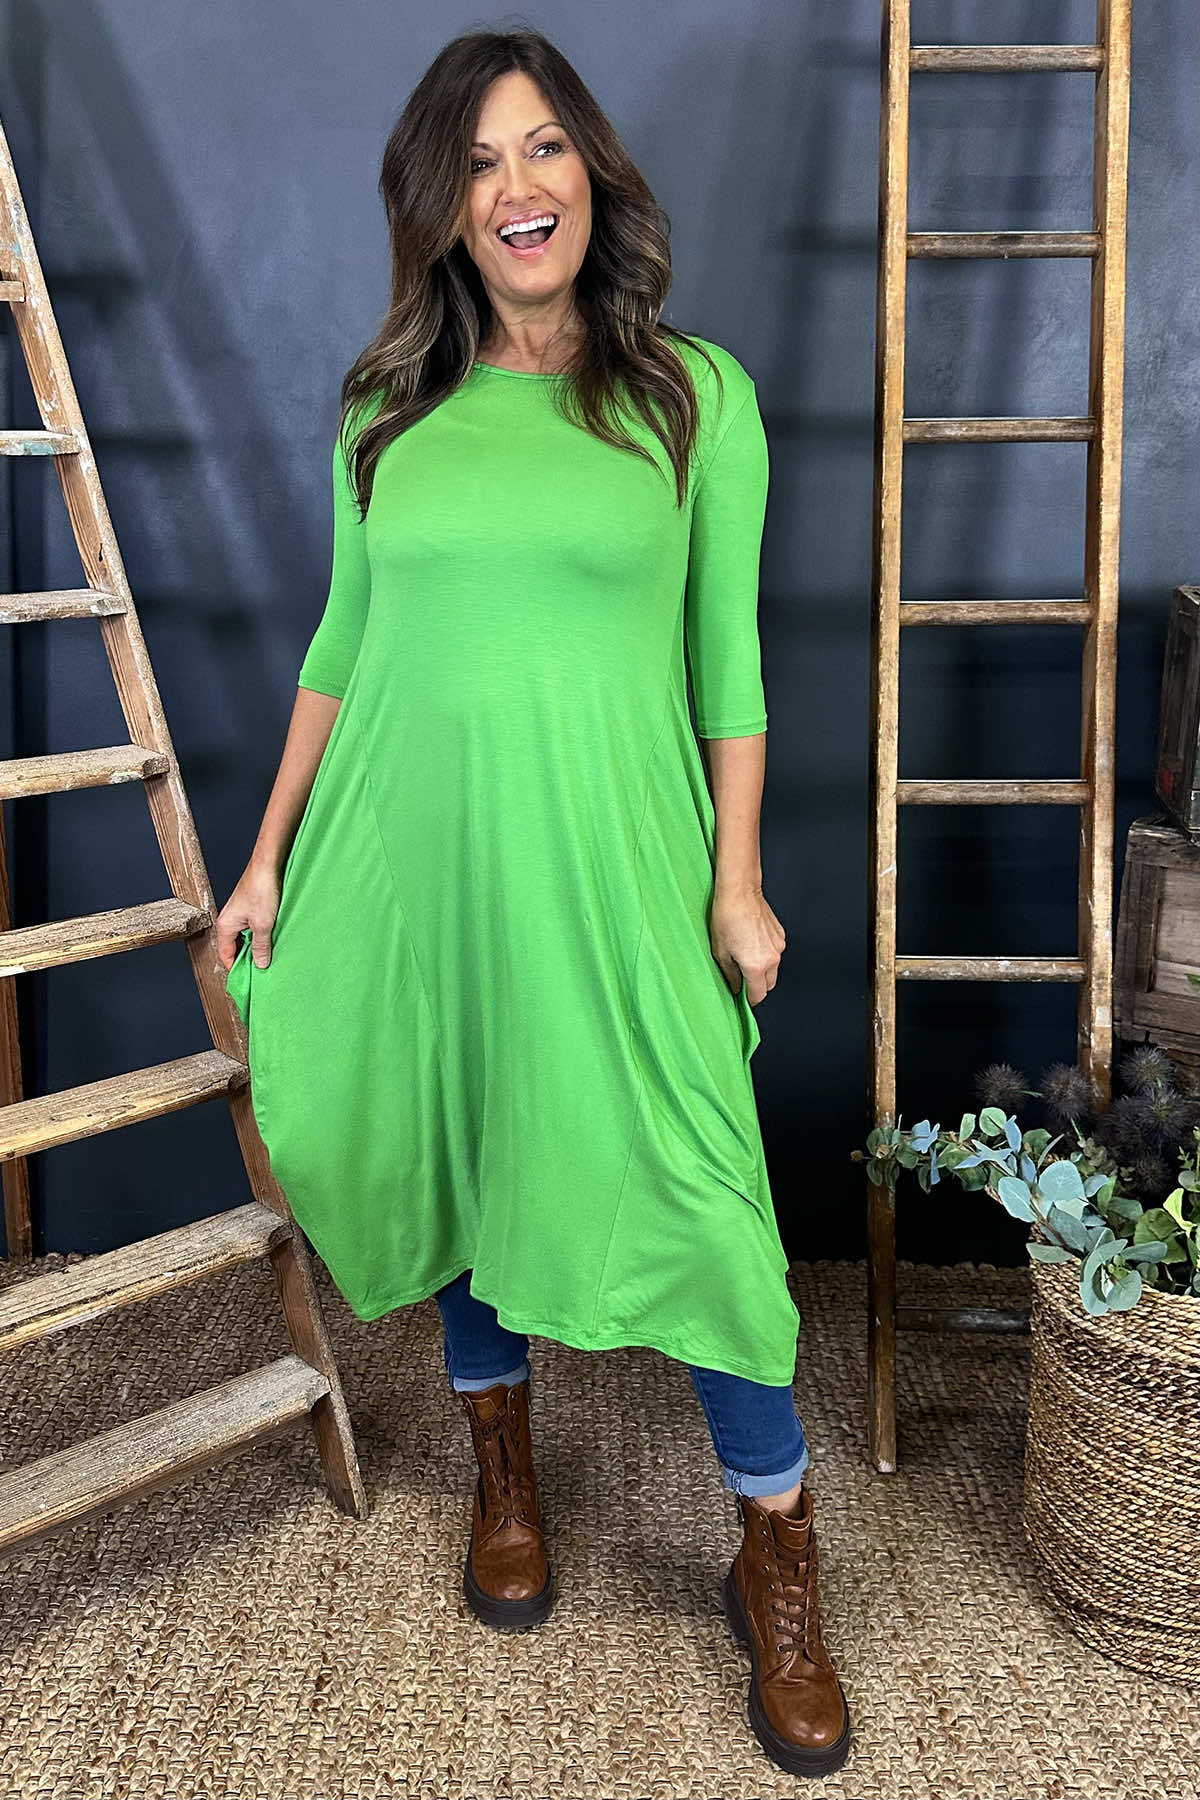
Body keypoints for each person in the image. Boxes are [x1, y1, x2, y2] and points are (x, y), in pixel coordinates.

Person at [217, 26, 850, 1781]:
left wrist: (735, 881)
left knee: (709, 1206)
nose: (519, 187)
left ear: (594, 174)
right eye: (482, 162)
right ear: (442, 206)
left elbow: (729, 663)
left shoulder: (693, 398)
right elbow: (342, 648)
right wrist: (268, 854)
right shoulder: (385, 413)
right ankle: (503, 1467)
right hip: (419, 858)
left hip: (622, 862)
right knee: (462, 1143)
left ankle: (774, 1548)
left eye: (546, 147)